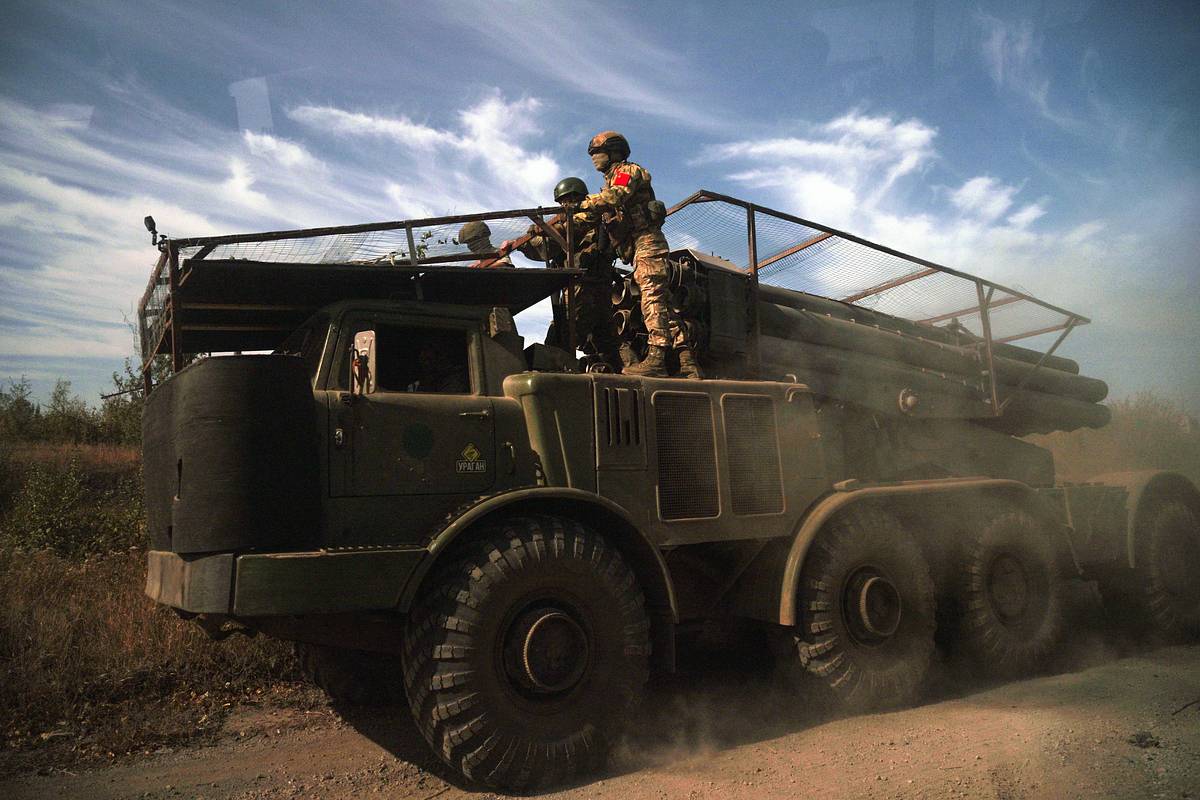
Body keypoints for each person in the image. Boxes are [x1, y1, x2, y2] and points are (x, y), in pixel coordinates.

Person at [577, 130, 701, 379]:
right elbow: (595, 213)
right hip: (640, 246)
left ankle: (657, 359)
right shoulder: (610, 181)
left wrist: (582, 204)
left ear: (613, 152)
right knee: (663, 303)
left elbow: (614, 197)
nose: (593, 157)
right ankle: (687, 362)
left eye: (597, 152)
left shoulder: (627, 172)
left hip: (647, 242)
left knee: (651, 299)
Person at [515, 177, 623, 371]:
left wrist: (533, 236)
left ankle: (550, 383)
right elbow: (546, 249)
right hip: (602, 288)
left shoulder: (582, 218)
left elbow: (552, 242)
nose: (563, 205)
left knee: (559, 339)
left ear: (575, 198)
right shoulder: (597, 217)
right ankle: (619, 371)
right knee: (607, 342)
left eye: (565, 200)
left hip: (581, 289)